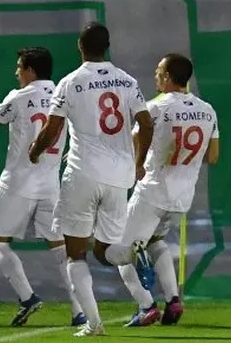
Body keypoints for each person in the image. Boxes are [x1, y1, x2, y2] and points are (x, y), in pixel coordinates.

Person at [27, 21, 154, 338]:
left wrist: (35, 150)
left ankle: (94, 324)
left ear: (80, 47)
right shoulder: (126, 81)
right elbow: (147, 124)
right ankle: (131, 251)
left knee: (76, 254)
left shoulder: (70, 82)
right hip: (119, 177)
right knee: (106, 251)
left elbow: (53, 129)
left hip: (82, 174)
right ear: (108, 46)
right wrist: (138, 163)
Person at [0, 47, 85, 327]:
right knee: (60, 246)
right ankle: (80, 310)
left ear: (30, 70)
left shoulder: (19, 96)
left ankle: (27, 297)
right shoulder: (63, 95)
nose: (16, 72)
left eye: (19, 67)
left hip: (18, 180)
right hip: (50, 183)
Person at [112, 54, 218, 328]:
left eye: (159, 71)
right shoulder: (207, 109)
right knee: (157, 242)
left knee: (119, 252)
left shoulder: (155, 107)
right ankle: (173, 299)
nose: (156, 75)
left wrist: (137, 163)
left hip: (153, 191)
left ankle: (146, 305)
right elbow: (213, 156)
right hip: (182, 197)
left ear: (169, 78)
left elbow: (136, 136)